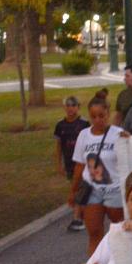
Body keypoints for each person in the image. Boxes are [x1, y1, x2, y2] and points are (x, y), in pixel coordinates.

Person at [69, 90, 124, 255]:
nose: (98, 120)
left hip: (114, 189)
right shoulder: (84, 135)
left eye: (102, 116)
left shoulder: (119, 134)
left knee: (120, 231)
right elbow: (79, 165)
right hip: (91, 189)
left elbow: (129, 162)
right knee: (94, 232)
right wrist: (74, 191)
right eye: (94, 117)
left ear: (108, 114)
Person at [54, 96, 90, 232]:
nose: (70, 108)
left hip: (83, 163)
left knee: (79, 188)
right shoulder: (60, 126)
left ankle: (77, 218)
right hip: (69, 163)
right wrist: (59, 164)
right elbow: (58, 146)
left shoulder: (84, 124)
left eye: (73, 105)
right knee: (76, 188)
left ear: (78, 107)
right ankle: (82, 213)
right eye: (68, 106)